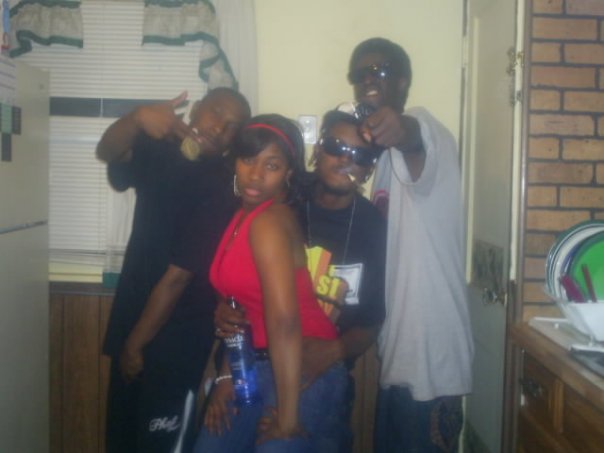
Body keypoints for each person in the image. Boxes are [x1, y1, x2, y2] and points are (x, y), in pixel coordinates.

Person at [213, 109, 387, 452]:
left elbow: (372, 319)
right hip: (253, 362)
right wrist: (224, 314)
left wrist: (333, 351)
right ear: (317, 150)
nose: (345, 160)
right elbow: (242, 284)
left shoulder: (372, 227)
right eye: (336, 147)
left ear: (369, 169)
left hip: (319, 372)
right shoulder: (281, 196)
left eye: (360, 155)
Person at [97, 87, 251, 452]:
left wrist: (135, 346)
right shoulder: (160, 151)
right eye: (216, 113)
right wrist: (136, 119)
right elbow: (107, 151)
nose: (219, 128)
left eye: (232, 126)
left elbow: (178, 277)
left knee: (161, 445)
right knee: (121, 440)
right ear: (196, 110)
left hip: (175, 341)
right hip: (132, 316)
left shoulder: (222, 187)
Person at [346, 37, 474, 452]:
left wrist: (400, 129)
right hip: (399, 356)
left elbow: (413, 137)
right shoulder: (384, 161)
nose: (368, 79)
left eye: (379, 70)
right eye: (360, 74)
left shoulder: (426, 128)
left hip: (431, 363)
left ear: (403, 81)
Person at [193, 114, 348, 453]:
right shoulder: (241, 218)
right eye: (248, 160)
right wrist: (226, 377)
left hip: (303, 365)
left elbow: (284, 321)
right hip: (253, 364)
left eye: (272, 165)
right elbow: (242, 311)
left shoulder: (269, 221)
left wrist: (288, 418)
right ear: (236, 162)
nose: (256, 174)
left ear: (289, 173)